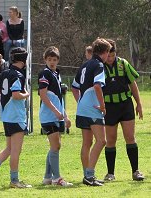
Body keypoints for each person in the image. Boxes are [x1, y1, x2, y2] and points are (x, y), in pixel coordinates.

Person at [0, 47, 32, 189]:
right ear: (23, 60)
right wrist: (26, 94)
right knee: (16, 150)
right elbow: (16, 94)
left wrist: (3, 100)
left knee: (9, 148)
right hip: (16, 115)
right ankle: (14, 180)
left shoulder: (4, 73)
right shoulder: (18, 75)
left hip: (6, 115)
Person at [102, 39, 144, 181]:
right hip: (109, 108)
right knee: (111, 139)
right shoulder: (99, 67)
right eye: (108, 55)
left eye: (112, 55)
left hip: (125, 105)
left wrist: (138, 103)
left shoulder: (123, 64)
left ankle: (135, 171)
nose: (110, 58)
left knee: (130, 137)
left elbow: (133, 84)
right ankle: (110, 173)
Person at [71, 38, 111, 186]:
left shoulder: (85, 65)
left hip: (82, 109)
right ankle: (90, 175)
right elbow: (97, 86)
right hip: (93, 109)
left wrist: (81, 103)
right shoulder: (99, 65)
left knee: (87, 142)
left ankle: (87, 176)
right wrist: (103, 105)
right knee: (102, 141)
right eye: (108, 52)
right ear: (105, 52)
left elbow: (74, 88)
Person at [38, 46, 73, 186]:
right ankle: (57, 178)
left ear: (58, 60)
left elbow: (58, 99)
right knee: (56, 146)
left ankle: (47, 177)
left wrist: (65, 115)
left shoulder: (56, 74)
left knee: (55, 146)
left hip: (56, 116)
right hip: (48, 116)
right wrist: (55, 112)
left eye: (54, 59)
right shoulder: (44, 73)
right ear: (45, 60)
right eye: (49, 59)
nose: (52, 62)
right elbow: (43, 95)